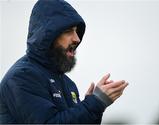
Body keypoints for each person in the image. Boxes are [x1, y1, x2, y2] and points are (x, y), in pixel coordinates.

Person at [0, 0, 128, 124]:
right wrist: (94, 104)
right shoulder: (22, 77)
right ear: (46, 35)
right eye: (68, 31)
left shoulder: (67, 83)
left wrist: (94, 107)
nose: (77, 39)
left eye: (76, 31)